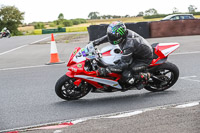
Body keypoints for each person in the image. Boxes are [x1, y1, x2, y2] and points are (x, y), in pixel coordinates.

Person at [92, 21, 153, 90]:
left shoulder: (129, 44)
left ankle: (144, 77)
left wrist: (107, 69)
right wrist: (95, 43)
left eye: (113, 37)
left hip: (143, 59)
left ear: (120, 35)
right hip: (135, 53)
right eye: (111, 36)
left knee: (125, 75)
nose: (111, 38)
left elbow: (124, 64)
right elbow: (108, 37)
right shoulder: (122, 35)